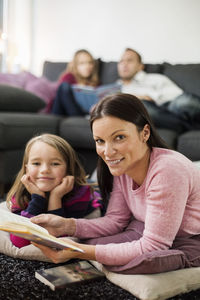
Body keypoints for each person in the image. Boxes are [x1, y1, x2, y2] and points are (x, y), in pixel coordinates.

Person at [31, 94, 200, 275]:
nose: (108, 152)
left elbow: (153, 246)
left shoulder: (168, 170)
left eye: (119, 137)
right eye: (100, 141)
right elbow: (115, 221)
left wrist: (82, 253)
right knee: (88, 243)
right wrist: (66, 225)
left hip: (189, 239)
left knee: (145, 261)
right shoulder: (123, 166)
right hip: (142, 227)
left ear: (145, 133)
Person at [6, 133, 102, 248]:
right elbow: (19, 242)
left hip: (94, 198)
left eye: (55, 164)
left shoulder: (80, 195)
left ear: (68, 169)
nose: (45, 170)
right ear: (27, 168)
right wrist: (37, 198)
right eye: (36, 163)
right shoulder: (21, 195)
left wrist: (55, 198)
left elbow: (59, 241)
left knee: (98, 185)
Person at [117, 48, 199, 132]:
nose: (124, 64)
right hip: (151, 114)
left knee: (185, 102)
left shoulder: (155, 78)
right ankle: (189, 126)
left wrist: (151, 98)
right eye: (121, 61)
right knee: (143, 109)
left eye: (129, 60)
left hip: (171, 105)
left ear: (140, 66)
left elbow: (177, 96)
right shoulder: (116, 88)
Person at [51, 49, 99, 116]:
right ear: (75, 65)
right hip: (62, 111)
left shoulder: (95, 82)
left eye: (90, 63)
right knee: (64, 86)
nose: (87, 66)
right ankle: (78, 117)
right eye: (82, 63)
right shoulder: (68, 77)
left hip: (84, 111)